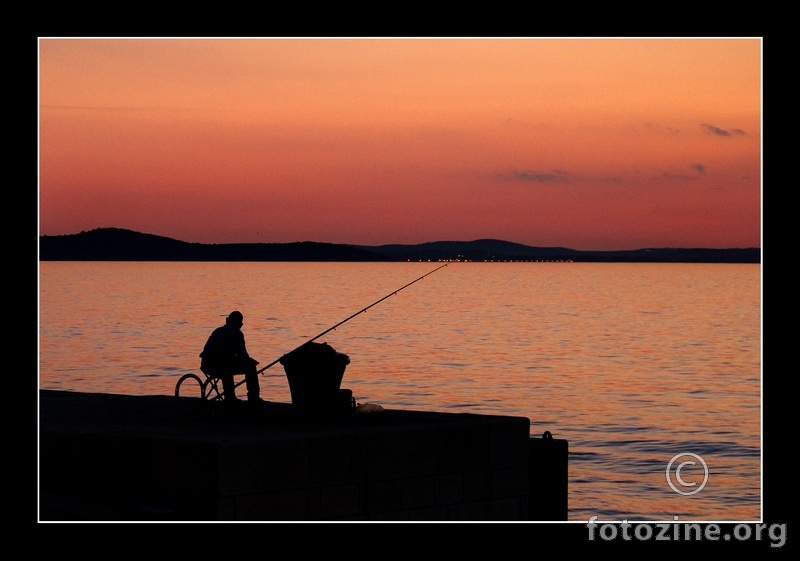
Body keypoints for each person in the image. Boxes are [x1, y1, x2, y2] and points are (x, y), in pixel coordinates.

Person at [200, 310, 263, 403]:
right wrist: (251, 361)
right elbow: (243, 355)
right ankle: (253, 397)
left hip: (207, 365)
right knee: (250, 367)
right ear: (240, 324)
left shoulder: (217, 331)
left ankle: (230, 396)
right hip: (221, 366)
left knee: (227, 364)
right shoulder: (237, 333)